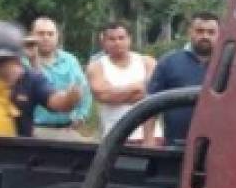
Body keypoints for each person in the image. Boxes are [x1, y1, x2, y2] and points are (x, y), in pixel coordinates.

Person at [146, 12, 221, 147]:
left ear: (220, 34)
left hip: (217, 147)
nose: (205, 36)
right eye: (200, 31)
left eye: (211, 32)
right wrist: (148, 142)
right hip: (175, 146)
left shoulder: (229, 64)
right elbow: (150, 106)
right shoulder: (169, 62)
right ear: (190, 32)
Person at [87, 21, 158, 142]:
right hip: (114, 137)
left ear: (129, 39)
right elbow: (103, 96)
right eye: (112, 39)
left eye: (121, 38)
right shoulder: (96, 67)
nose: (117, 42)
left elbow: (153, 94)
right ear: (104, 42)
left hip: (150, 137)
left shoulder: (148, 62)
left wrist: (116, 92)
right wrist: (137, 87)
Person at [28, 16, 92, 140]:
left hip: (66, 129)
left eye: (50, 34)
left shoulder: (70, 60)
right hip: (34, 129)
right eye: (41, 34)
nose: (46, 38)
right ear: (31, 36)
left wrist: (81, 116)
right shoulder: (22, 61)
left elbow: (84, 90)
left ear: (57, 36)